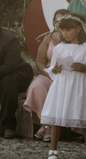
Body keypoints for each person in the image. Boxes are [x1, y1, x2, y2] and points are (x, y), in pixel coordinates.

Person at [39, 14, 86, 159]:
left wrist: (85, 68)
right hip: (62, 85)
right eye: (62, 30)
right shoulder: (59, 48)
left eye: (69, 30)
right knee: (57, 119)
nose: (65, 34)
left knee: (85, 119)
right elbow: (52, 68)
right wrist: (54, 70)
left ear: (79, 29)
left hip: (80, 86)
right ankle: (53, 151)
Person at [24, 9, 74, 142]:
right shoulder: (48, 39)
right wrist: (49, 73)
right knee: (37, 86)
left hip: (69, 78)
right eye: (57, 20)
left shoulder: (77, 40)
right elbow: (40, 62)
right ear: (54, 23)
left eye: (64, 20)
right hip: (49, 75)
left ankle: (48, 128)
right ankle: (46, 126)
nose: (60, 23)